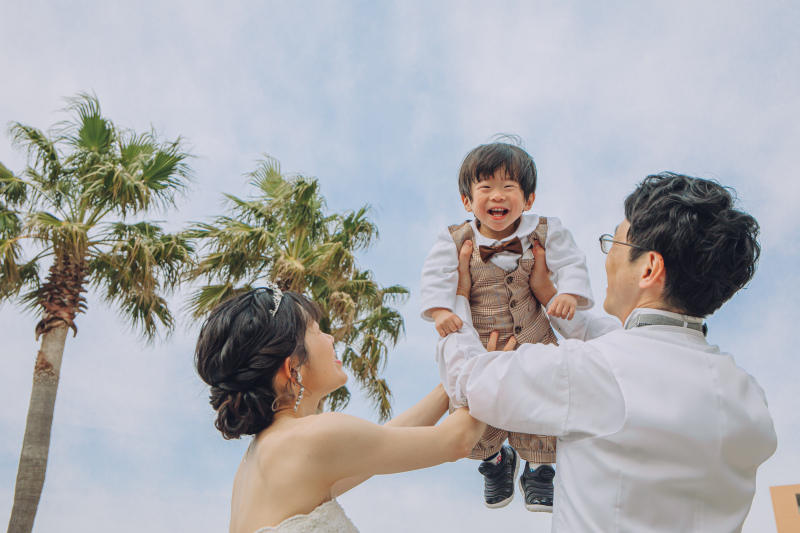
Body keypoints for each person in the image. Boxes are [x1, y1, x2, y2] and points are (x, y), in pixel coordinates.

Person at [437, 172, 778, 531]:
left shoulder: (596, 372)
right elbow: (630, 344)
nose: (607, 260)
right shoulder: (751, 397)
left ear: (649, 268)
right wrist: (550, 296)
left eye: (613, 245)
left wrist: (458, 294)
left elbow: (467, 378)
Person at [194, 285, 489, 533]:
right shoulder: (311, 438)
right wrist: (490, 370)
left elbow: (384, 441)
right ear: (292, 367)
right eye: (317, 331)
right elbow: (457, 441)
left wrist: (447, 387)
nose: (331, 338)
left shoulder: (256, 462)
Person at [420, 140, 594, 511]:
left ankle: (539, 468)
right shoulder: (454, 238)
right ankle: (496, 460)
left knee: (543, 396)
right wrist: (439, 311)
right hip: (481, 342)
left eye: (508, 187)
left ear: (528, 199)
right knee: (477, 404)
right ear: (467, 200)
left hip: (533, 336)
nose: (497, 195)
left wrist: (570, 295)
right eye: (485, 187)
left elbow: (572, 263)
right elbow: (436, 275)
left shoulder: (545, 231)